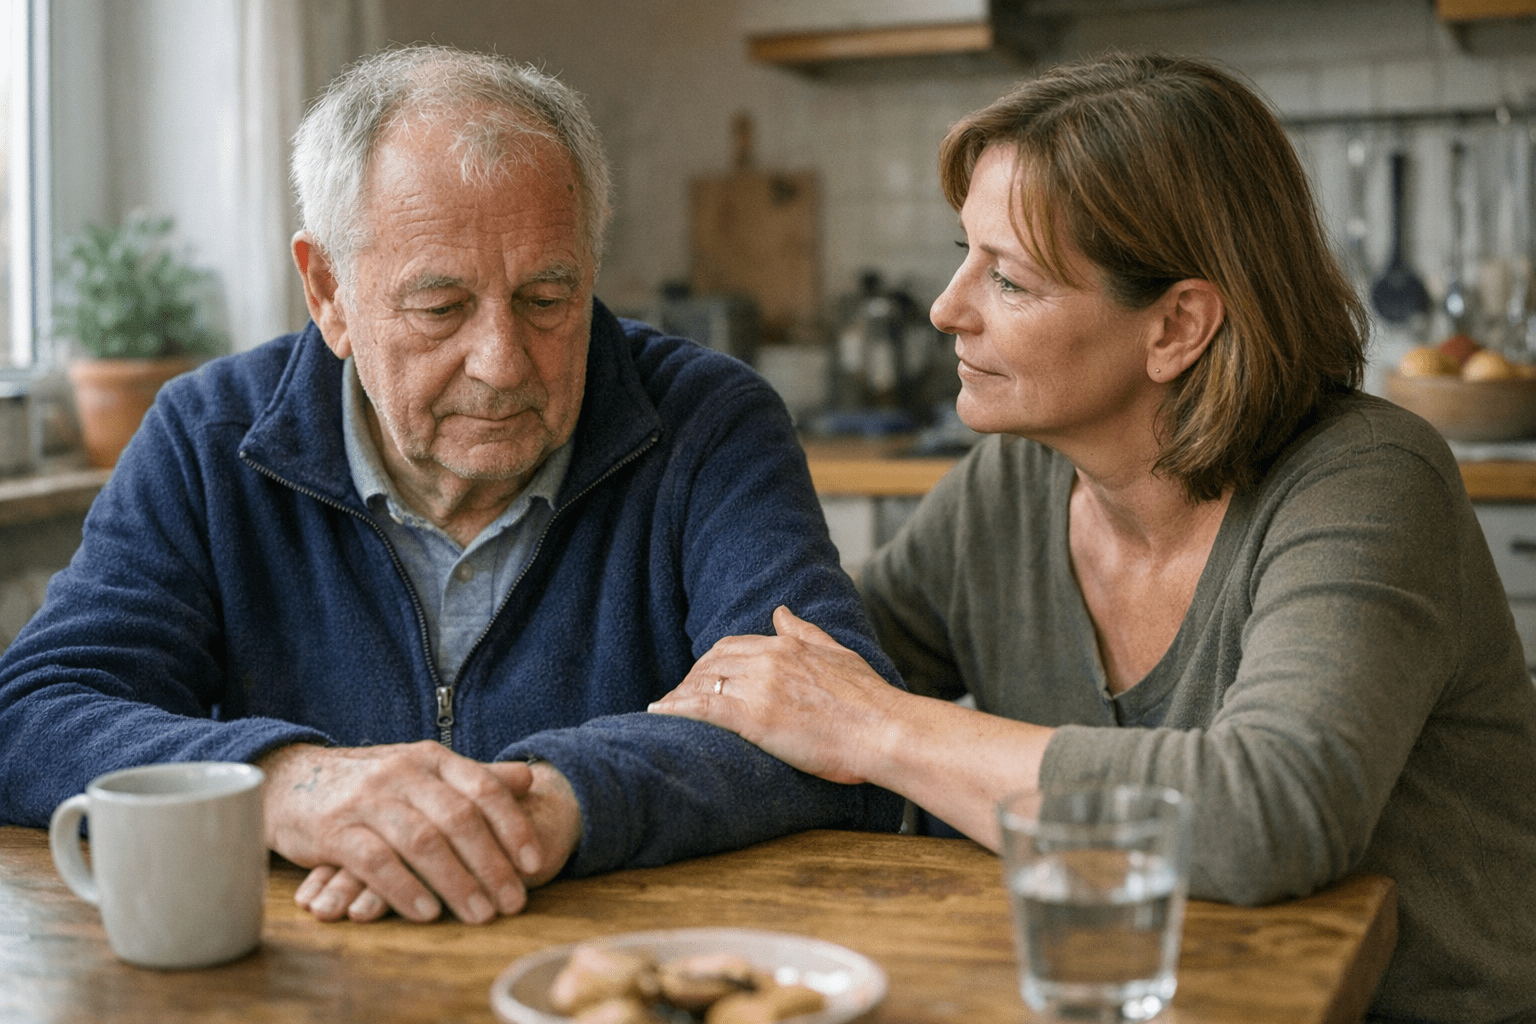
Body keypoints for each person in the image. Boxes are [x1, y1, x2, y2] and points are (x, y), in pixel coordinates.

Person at [651, 52, 1536, 1023]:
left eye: (1011, 281)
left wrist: (875, 725)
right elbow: (806, 664)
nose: (949, 308)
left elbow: (1270, 812)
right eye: (964, 254)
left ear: (1177, 327)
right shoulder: (1015, 483)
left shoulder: (1368, 480)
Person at [0, 45, 901, 926]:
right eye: (440, 308)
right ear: (328, 294)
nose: (503, 364)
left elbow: (837, 728)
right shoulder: (206, 437)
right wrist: (289, 786)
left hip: (615, 978)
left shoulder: (712, 421)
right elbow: (32, 716)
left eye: (550, 300)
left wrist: (550, 801)